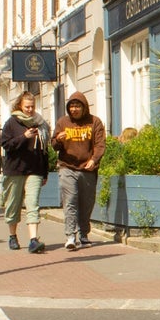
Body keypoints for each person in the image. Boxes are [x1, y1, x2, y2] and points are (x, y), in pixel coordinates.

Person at [51, 92, 106, 251]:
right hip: (67, 167)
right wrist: (58, 140)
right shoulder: (63, 122)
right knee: (70, 201)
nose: (74, 109)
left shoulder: (94, 122)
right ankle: (70, 236)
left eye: (77, 106)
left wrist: (94, 160)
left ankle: (83, 234)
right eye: (72, 106)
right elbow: (54, 145)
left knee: (86, 203)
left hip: (88, 169)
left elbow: (100, 144)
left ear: (84, 107)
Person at [0, 91, 51, 254]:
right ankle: (12, 236)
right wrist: (24, 136)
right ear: (20, 106)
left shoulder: (40, 123)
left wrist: (45, 172)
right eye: (27, 107)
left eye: (32, 107)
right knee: (13, 204)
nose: (30, 110)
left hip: (35, 169)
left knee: (32, 203)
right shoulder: (11, 123)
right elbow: (6, 145)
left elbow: (44, 150)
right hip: (15, 170)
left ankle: (33, 240)